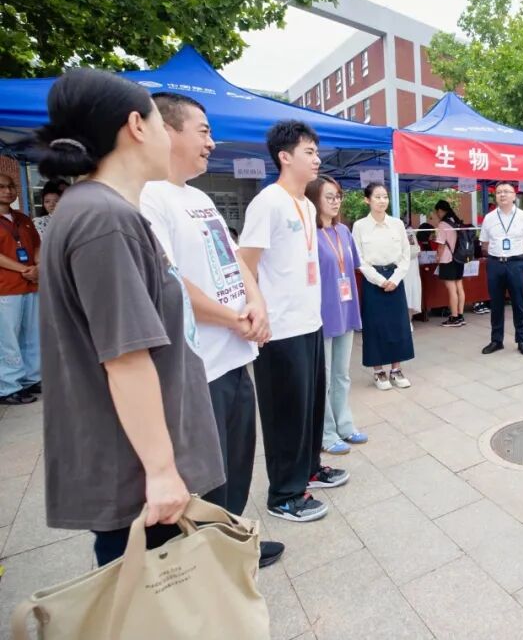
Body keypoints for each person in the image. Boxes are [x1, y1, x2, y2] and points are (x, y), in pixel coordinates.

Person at [34, 68, 225, 566]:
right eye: (161, 123)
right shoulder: (104, 219)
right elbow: (126, 356)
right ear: (137, 126)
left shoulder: (96, 209)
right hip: (136, 473)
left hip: (133, 463)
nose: (168, 136)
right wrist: (161, 471)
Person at [140, 92, 283, 566]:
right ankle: (204, 564)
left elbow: (234, 258)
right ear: (167, 130)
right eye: (203, 131)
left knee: (236, 464)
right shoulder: (148, 198)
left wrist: (256, 302)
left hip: (235, 355)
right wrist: (234, 318)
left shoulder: (199, 197)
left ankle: (231, 546)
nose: (211, 142)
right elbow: (169, 281)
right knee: (206, 476)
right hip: (199, 367)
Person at [239, 120, 349, 524]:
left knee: (310, 406)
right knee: (285, 413)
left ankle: (309, 469)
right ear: (285, 157)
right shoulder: (267, 202)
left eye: (317, 151)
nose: (317, 158)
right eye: (309, 152)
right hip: (280, 328)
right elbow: (244, 263)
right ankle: (284, 494)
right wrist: (257, 310)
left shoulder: (307, 204)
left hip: (309, 322)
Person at [305, 175, 368, 455]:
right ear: (314, 199)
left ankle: (344, 424)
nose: (335, 201)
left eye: (338, 196)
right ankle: (326, 432)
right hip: (322, 312)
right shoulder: (309, 234)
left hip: (346, 309)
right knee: (325, 378)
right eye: (329, 197)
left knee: (342, 375)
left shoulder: (344, 231)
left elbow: (352, 267)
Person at [353, 182, 415, 388]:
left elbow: (406, 254)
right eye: (377, 197)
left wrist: (395, 279)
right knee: (375, 326)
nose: (382, 201)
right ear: (367, 200)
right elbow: (359, 259)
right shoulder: (360, 226)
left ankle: (396, 369)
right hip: (373, 280)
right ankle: (378, 371)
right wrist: (380, 280)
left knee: (398, 325)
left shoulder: (397, 224)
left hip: (395, 278)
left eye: (385, 196)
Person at [479, 181, 523, 355]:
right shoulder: (489, 218)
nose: (502, 195)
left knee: (519, 302)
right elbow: (484, 244)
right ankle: (496, 340)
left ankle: (522, 340)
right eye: (498, 192)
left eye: (506, 191)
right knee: (495, 303)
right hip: (495, 264)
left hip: (515, 264)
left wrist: (512, 253)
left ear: (514, 195)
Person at [0, 172, 42, 405]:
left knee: (31, 335)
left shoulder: (22, 218)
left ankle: (31, 378)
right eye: (1, 187)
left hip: (30, 284)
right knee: (8, 339)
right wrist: (24, 268)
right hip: (5, 288)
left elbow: (36, 244)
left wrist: (37, 266)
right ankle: (8, 387)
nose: (8, 191)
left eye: (11, 186)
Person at [433, 198, 467, 327]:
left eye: (437, 212)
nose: (437, 214)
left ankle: (454, 317)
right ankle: (460, 315)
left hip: (447, 259)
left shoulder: (443, 224)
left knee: (451, 289)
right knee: (459, 287)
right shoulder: (456, 222)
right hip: (459, 258)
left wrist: (437, 257)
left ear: (440, 211)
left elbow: (441, 245)